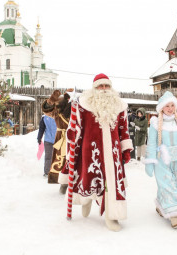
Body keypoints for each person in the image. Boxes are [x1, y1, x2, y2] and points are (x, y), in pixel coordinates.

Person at [58, 73, 133, 231]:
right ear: (94, 88)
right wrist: (72, 136)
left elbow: (123, 130)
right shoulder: (84, 105)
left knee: (112, 184)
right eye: (100, 86)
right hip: (90, 150)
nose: (104, 89)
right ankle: (87, 200)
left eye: (107, 86)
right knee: (90, 178)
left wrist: (125, 149)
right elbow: (75, 128)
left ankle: (112, 216)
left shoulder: (120, 106)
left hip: (113, 153)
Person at [144, 91, 177, 229]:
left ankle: (161, 205)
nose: (170, 108)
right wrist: (150, 162)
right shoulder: (155, 123)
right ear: (161, 107)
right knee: (167, 186)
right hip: (162, 161)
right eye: (167, 105)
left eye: (173, 105)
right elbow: (152, 144)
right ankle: (174, 216)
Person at [49, 89, 72, 194]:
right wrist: (52, 99)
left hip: (73, 139)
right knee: (62, 161)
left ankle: (72, 185)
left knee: (72, 161)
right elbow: (46, 109)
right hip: (62, 138)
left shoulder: (75, 111)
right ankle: (63, 185)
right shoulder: (57, 112)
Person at [37, 90, 60, 178]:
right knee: (48, 157)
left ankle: (57, 171)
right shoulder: (44, 118)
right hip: (48, 140)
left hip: (58, 139)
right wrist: (39, 138)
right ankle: (47, 172)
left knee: (58, 156)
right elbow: (41, 129)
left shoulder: (57, 116)